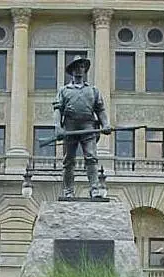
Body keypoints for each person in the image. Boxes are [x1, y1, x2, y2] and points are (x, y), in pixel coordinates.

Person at [53, 55, 111, 198]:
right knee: (69, 160)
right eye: (76, 67)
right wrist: (58, 127)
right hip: (70, 126)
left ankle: (94, 189)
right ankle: (68, 191)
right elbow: (58, 110)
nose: (79, 69)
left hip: (88, 125)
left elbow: (100, 109)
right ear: (71, 71)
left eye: (82, 66)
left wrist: (106, 124)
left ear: (85, 70)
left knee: (91, 157)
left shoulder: (93, 90)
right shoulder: (64, 90)